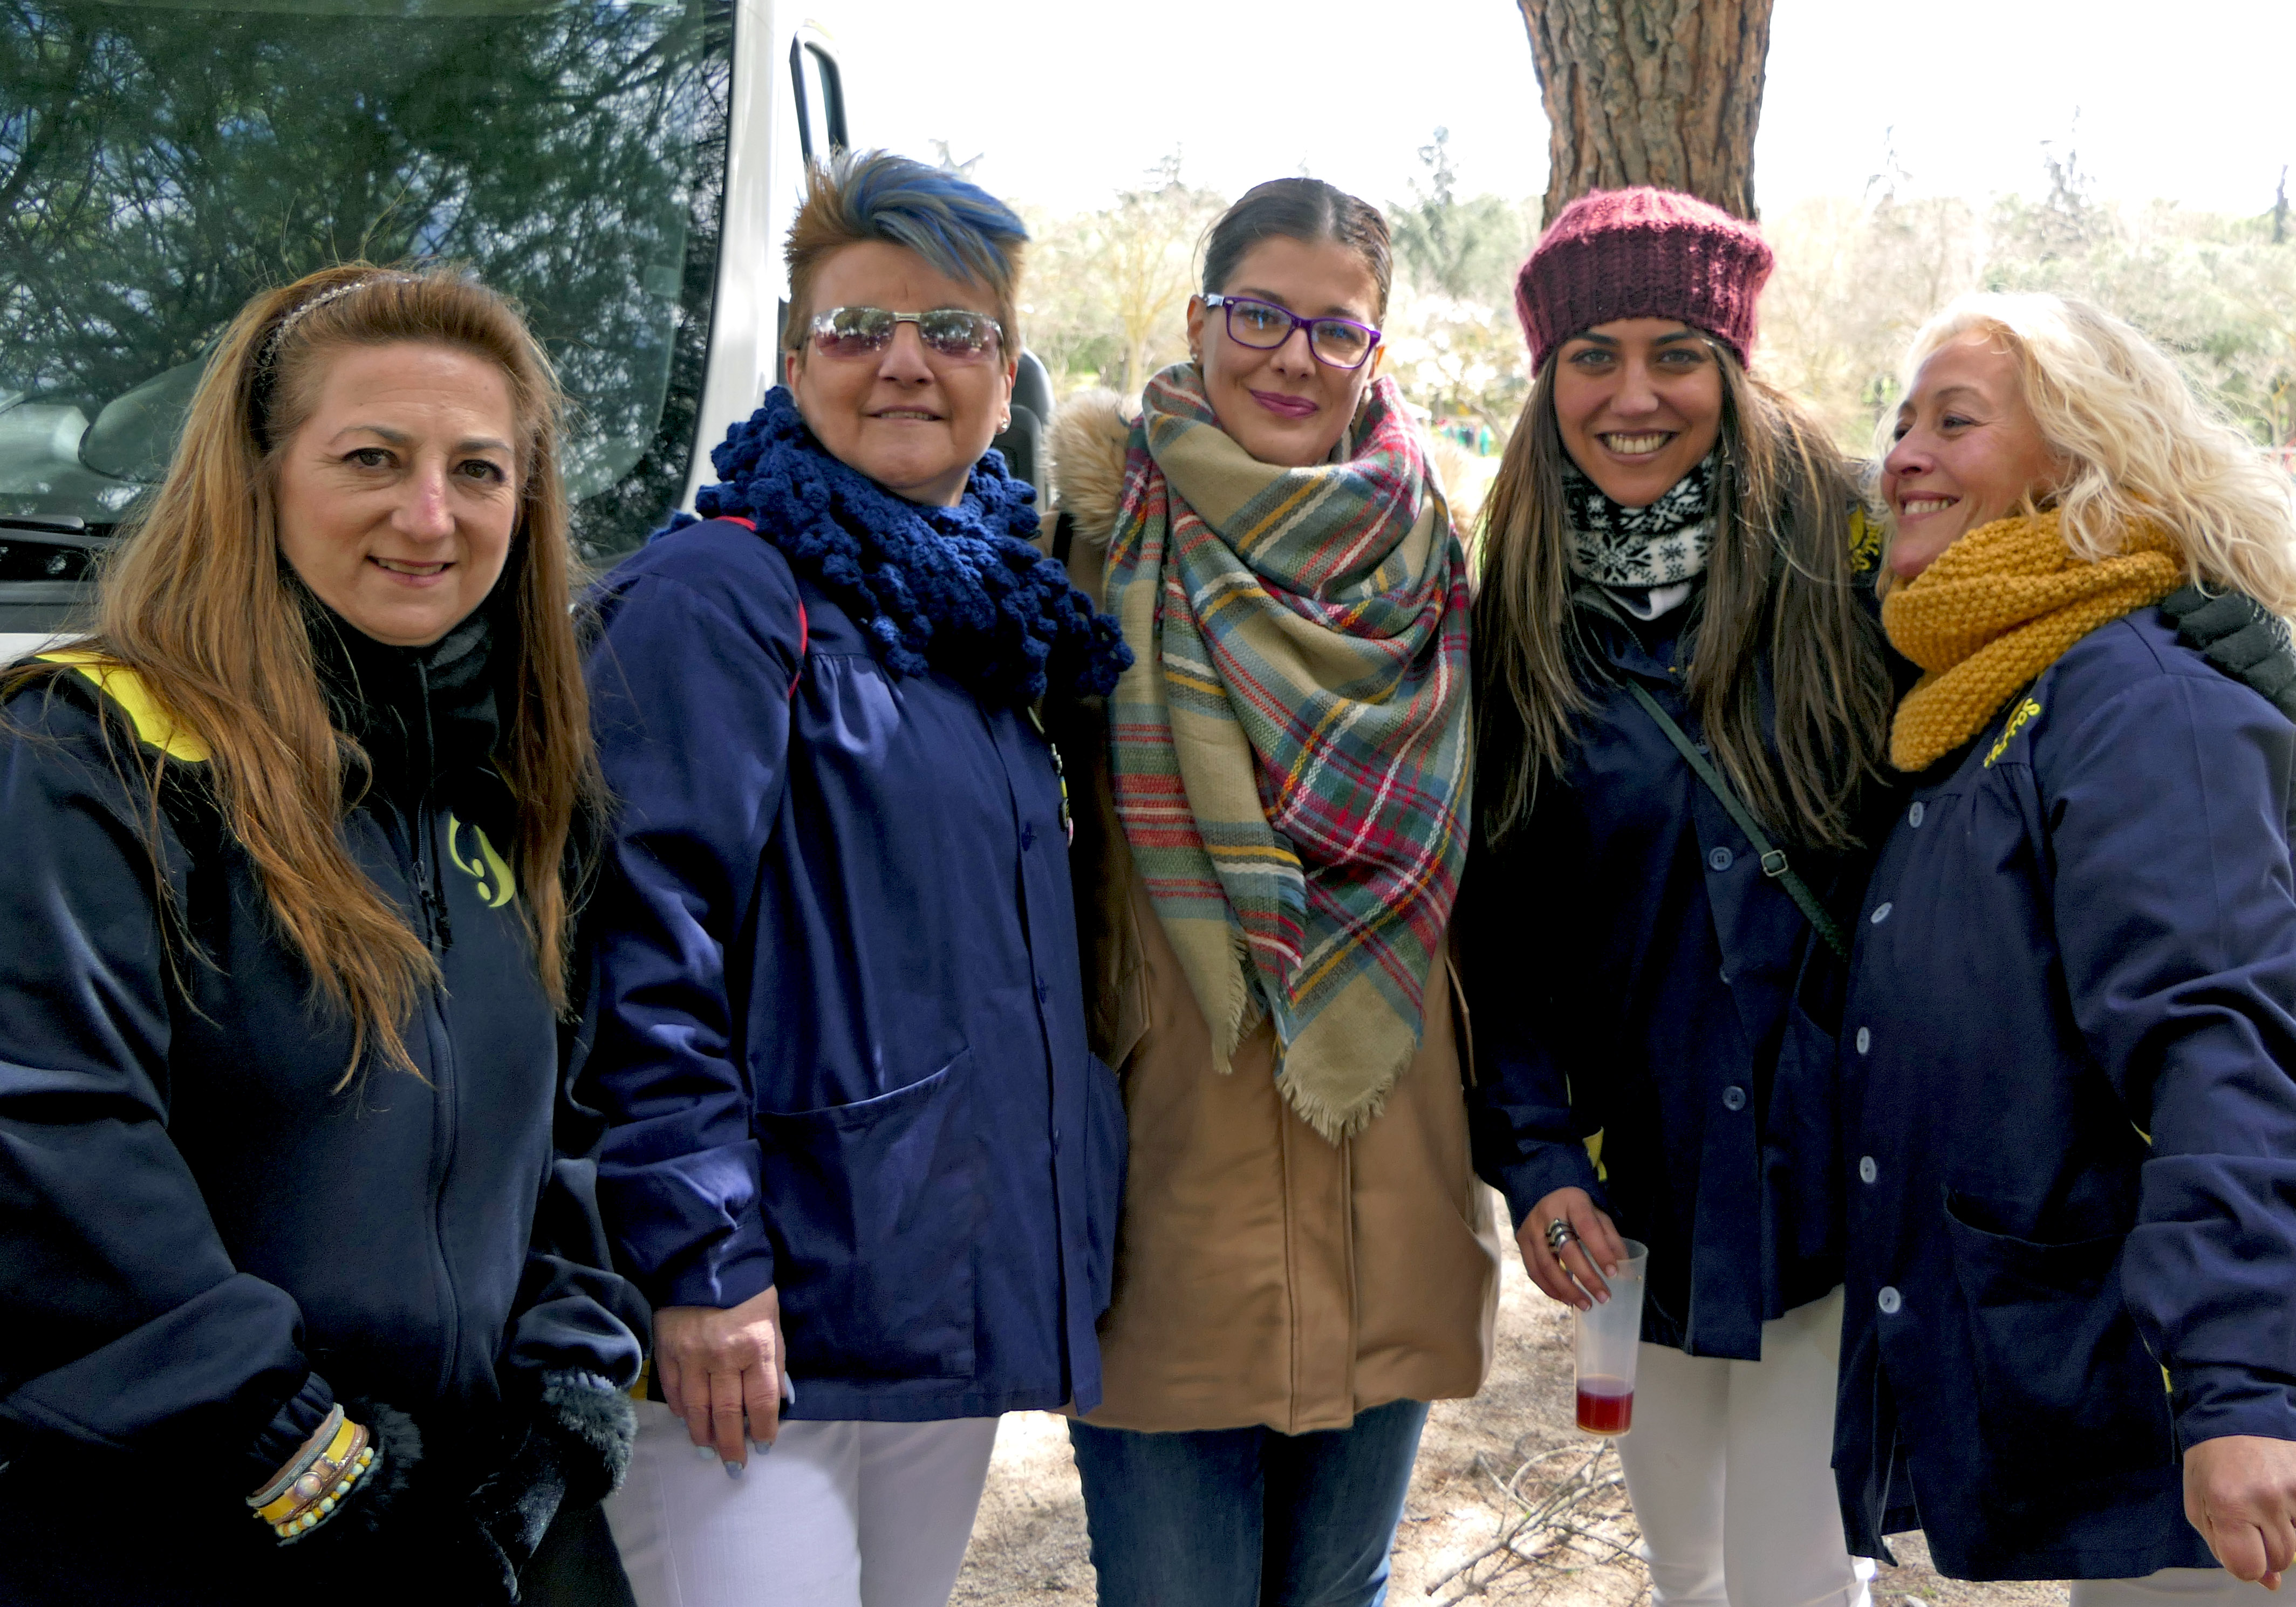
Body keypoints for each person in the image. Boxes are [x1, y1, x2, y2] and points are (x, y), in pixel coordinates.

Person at [0, 264, 648, 1606]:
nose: (430, 514)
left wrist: (572, 1372)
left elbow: (572, 1124)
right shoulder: (91, 750)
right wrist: (293, 1449)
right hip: (189, 1512)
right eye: (372, 457)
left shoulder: (516, 778)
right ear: (259, 474)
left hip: (475, 1519)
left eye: (479, 470)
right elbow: (49, 1133)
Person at [578, 149, 1131, 1607]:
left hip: (930, 1294)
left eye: (951, 330)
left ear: (1004, 372)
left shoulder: (987, 619)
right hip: (760, 1314)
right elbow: (640, 952)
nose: (903, 363)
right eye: (856, 327)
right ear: (794, 358)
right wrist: (701, 1262)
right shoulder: (717, 593)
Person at [1046, 176, 1498, 1607]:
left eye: (1335, 328)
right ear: (1201, 319)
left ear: (1376, 350)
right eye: (1259, 316)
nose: (1294, 357)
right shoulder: (1088, 546)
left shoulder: (1435, 564)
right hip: (1171, 1191)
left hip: (1386, 1164)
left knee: (1339, 1594)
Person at [1462, 188, 1897, 1607]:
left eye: (1676, 353)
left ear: (1735, 364)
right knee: (1686, 1564)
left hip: (1825, 1171)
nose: (1633, 395)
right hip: (1637, 1184)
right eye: (1593, 355)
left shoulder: (1852, 558)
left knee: (1797, 1570)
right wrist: (1536, 1153)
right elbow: (1496, 928)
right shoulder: (1518, 612)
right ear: (1548, 377)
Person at [1836, 291, 2296, 1604]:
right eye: (1901, 422)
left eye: (1955, 421)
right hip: (2135, 1380)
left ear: (2080, 458)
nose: (1903, 454)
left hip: (2205, 1400)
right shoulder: (1996, 686)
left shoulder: (2140, 695)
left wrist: (2240, 1384)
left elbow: (2215, 1036)